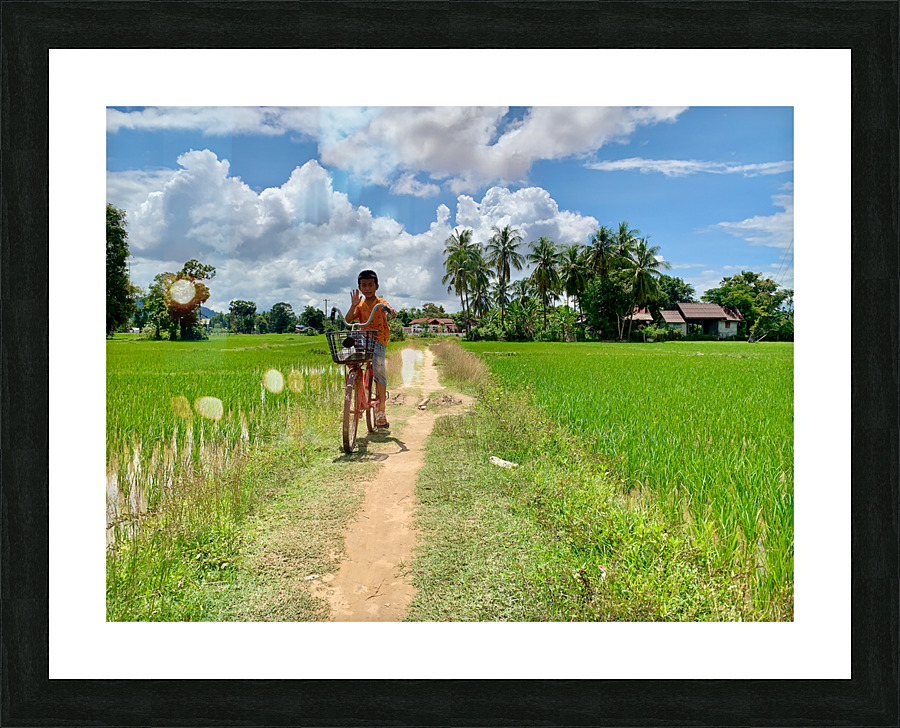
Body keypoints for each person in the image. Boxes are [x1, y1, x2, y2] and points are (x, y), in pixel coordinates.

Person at [345, 269, 396, 428]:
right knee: (348, 353)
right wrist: (353, 305)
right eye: (364, 285)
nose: (367, 288)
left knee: (379, 371)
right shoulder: (359, 305)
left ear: (376, 286)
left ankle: (381, 410)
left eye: (370, 285)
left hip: (378, 340)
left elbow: (391, 311)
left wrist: (391, 311)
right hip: (363, 339)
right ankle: (356, 380)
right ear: (359, 288)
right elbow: (348, 319)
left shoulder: (380, 302)